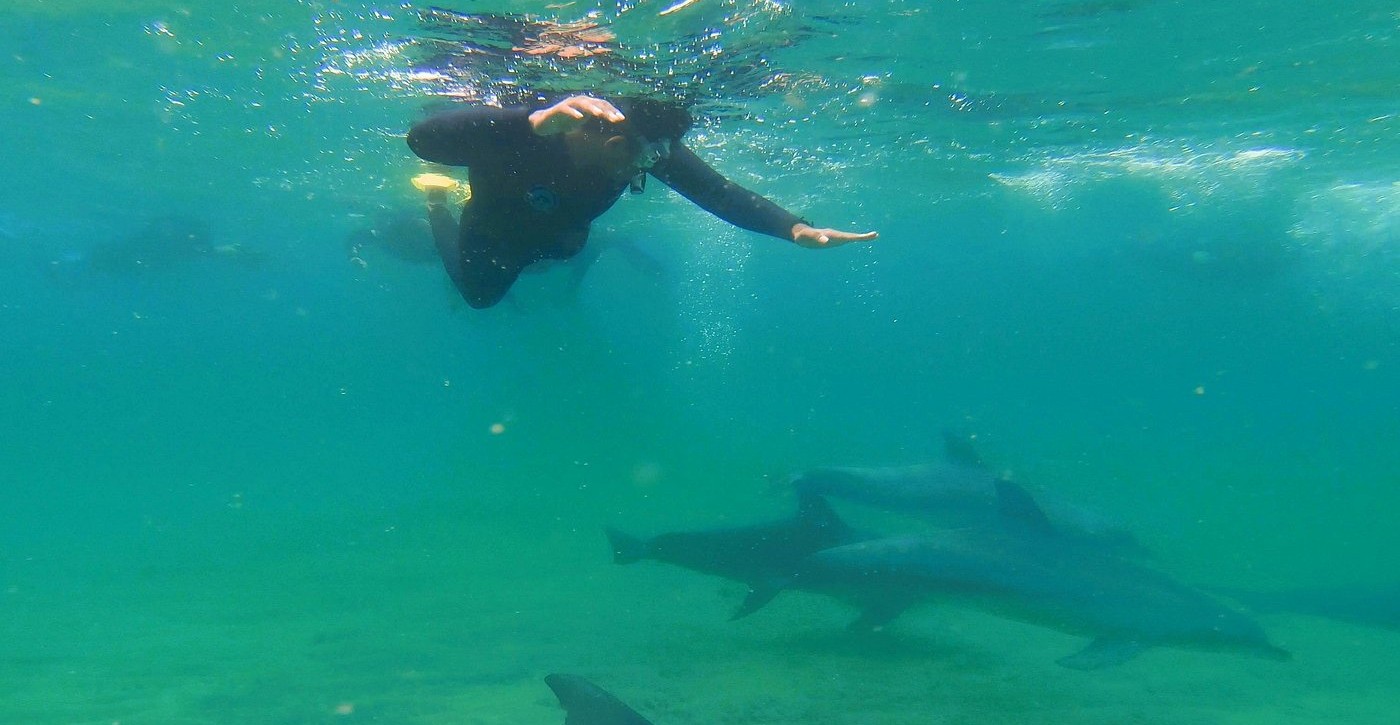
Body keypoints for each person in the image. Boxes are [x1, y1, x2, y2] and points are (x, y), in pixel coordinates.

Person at [405, 95, 878, 309]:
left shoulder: (645, 149)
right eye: (645, 160)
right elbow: (423, 141)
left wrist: (793, 228)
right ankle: (435, 205)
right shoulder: (538, 128)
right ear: (613, 146)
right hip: (494, 228)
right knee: (481, 296)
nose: (649, 170)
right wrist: (528, 121)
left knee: (559, 253)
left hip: (561, 236)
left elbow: (715, 192)